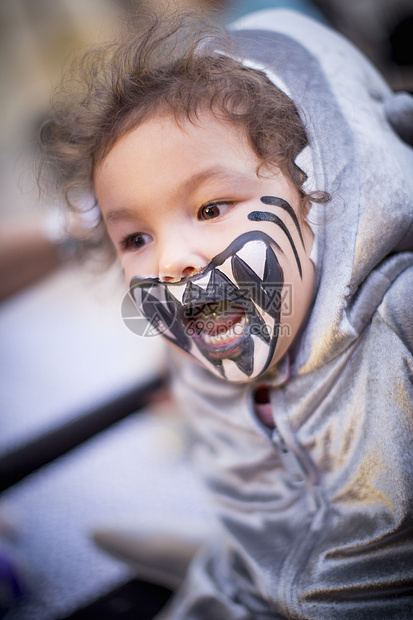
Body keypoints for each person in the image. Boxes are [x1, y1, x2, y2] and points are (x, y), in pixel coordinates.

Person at [39, 6, 413, 619]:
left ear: (321, 195)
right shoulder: (202, 376)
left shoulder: (399, 317)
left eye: (212, 208)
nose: (171, 261)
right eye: (135, 239)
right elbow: (256, 533)